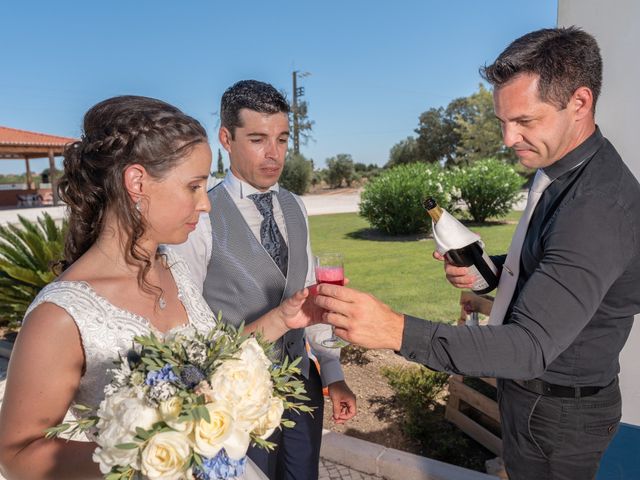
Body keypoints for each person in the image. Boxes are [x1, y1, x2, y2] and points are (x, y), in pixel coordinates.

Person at [314, 27, 640, 480]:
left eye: (525, 121)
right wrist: (492, 274)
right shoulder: (563, 171)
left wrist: (395, 329)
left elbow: (529, 346)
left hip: (560, 416)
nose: (508, 139)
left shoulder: (597, 206)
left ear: (580, 103)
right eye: (502, 122)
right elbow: (555, 261)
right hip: (540, 401)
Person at [0, 96, 316, 480]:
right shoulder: (62, 315)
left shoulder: (174, 269)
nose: (206, 205)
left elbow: (211, 365)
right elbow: (15, 455)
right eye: (194, 186)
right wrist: (153, 457)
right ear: (137, 183)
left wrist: (281, 319)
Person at [173, 80, 357, 480]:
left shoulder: (296, 205)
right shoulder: (200, 217)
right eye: (257, 139)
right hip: (234, 403)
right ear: (226, 138)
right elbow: (182, 327)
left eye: (282, 139)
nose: (273, 154)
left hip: (302, 390)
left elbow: (312, 297)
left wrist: (333, 373)